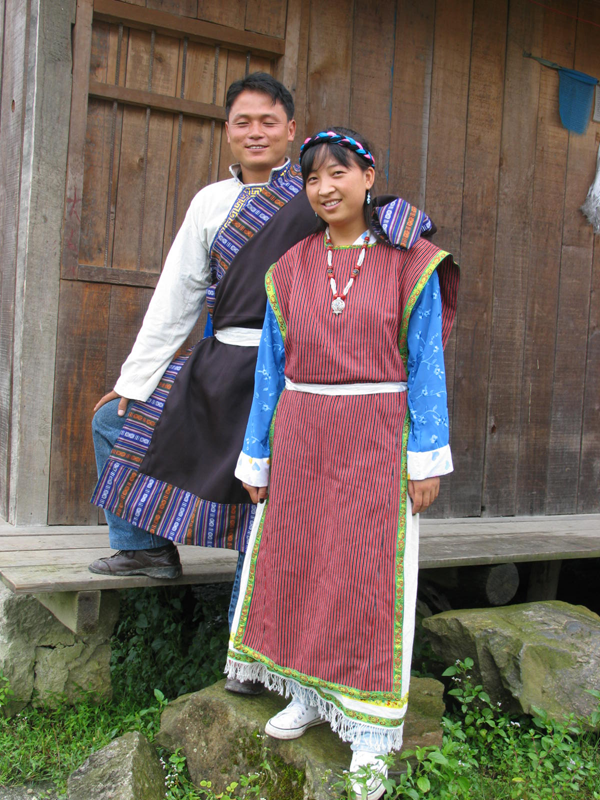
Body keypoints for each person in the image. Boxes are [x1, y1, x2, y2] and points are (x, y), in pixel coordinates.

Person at [227, 128, 459, 798]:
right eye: (313, 178)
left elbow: (427, 364)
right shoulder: (289, 268)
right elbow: (269, 368)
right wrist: (257, 455)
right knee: (300, 566)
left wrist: (425, 458)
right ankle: (308, 693)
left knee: (364, 574)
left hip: (376, 435)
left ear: (368, 176)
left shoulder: (410, 263)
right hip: (302, 434)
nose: (325, 189)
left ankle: (372, 731)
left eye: (339, 173)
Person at [89, 73, 319, 693]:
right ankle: (144, 548)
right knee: (111, 421)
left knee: (264, 502)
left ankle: (250, 655)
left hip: (289, 372)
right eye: (243, 122)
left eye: (268, 121)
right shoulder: (210, 202)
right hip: (219, 360)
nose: (255, 132)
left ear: (291, 131)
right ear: (228, 131)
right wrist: (135, 379)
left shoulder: (317, 192)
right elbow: (178, 295)